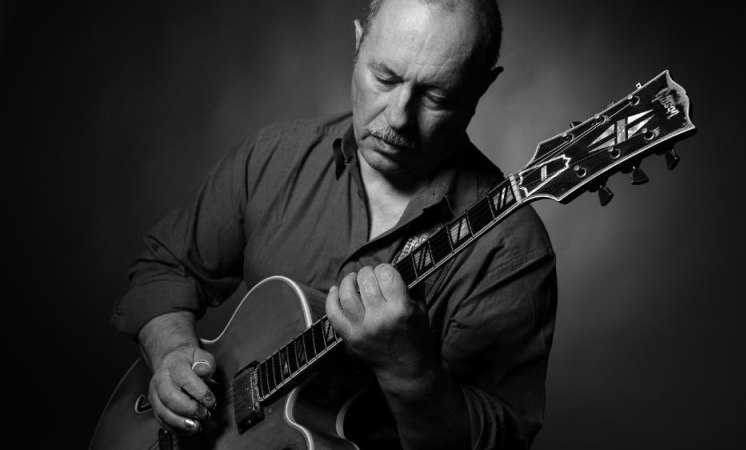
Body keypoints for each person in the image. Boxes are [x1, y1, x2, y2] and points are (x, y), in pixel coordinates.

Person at [111, 0, 557, 448]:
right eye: (384, 77)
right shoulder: (274, 157)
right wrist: (170, 351)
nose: (399, 117)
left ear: (481, 88)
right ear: (359, 43)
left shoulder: (509, 249)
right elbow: (166, 266)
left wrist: (409, 370)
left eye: (437, 96)